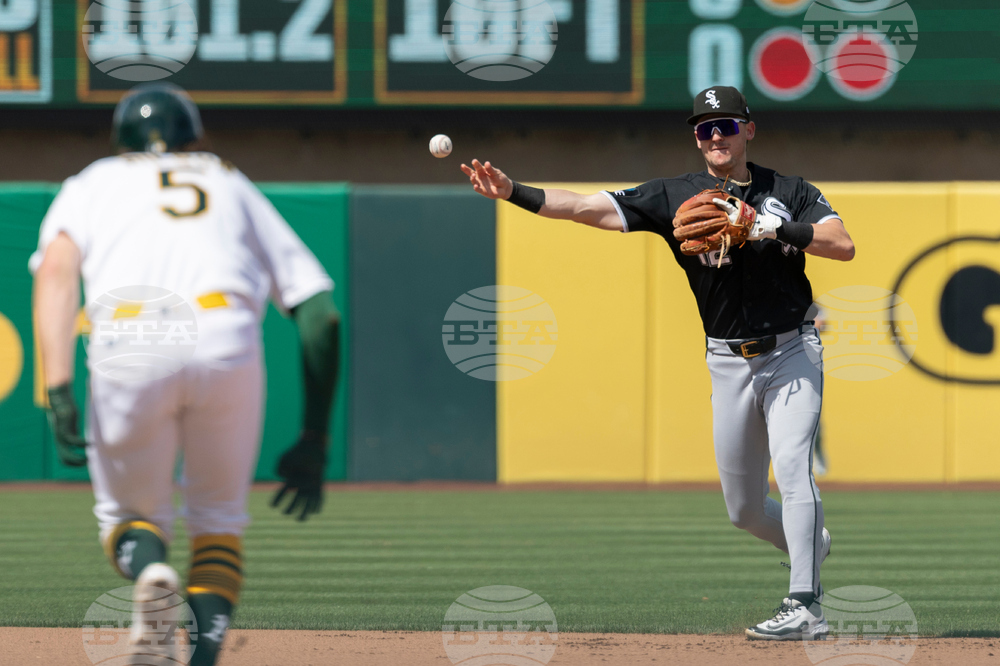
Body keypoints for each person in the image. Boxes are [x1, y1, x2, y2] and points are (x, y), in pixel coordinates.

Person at [461, 86, 855, 641]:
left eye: (726, 126)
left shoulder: (789, 191)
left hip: (792, 349)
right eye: (704, 129)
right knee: (743, 510)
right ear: (696, 138)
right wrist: (513, 192)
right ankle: (810, 542)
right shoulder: (675, 194)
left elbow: (842, 244)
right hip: (726, 360)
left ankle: (806, 605)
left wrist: (769, 227)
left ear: (749, 129)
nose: (716, 136)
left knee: (793, 466)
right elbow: (585, 208)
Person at [30, 82, 340, 665]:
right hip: (226, 338)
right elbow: (321, 316)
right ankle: (199, 658)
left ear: (120, 137)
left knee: (127, 518)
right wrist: (316, 435)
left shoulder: (93, 182)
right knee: (218, 522)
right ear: (191, 134)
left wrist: (57, 386)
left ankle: (150, 572)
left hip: (131, 337)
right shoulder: (227, 180)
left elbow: (55, 274)